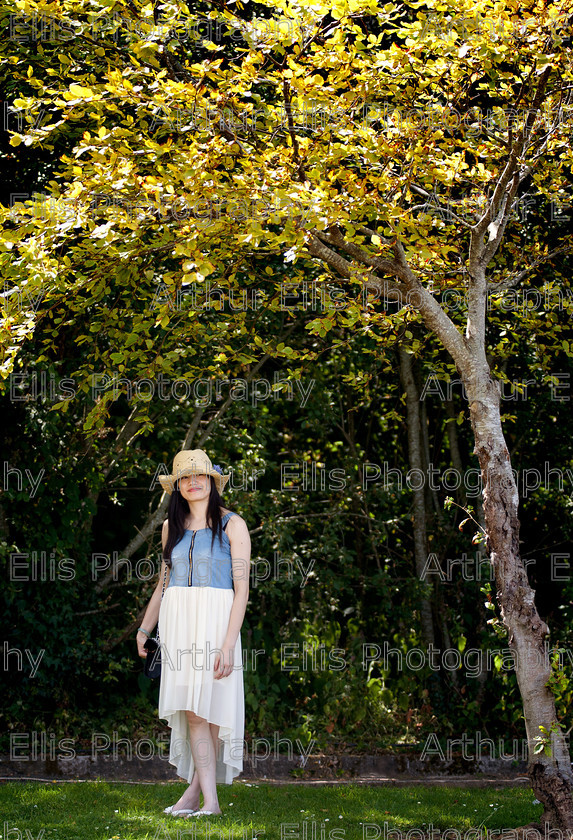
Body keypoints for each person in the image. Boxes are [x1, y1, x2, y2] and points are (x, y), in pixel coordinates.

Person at [136, 449, 251, 817]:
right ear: (178, 487)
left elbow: (242, 588)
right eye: (185, 478)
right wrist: (145, 628)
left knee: (211, 710)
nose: (193, 482)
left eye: (200, 476)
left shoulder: (233, 524)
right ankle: (200, 798)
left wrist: (228, 644)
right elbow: (163, 583)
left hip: (216, 622)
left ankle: (204, 800)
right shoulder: (172, 527)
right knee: (194, 713)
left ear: (213, 482)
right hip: (179, 623)